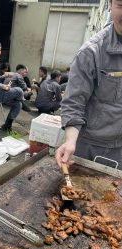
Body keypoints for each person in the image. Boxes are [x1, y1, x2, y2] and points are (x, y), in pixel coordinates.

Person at [55, 0, 122, 170]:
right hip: (90, 146)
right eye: (121, 5)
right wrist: (70, 142)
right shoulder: (91, 52)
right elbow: (73, 102)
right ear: (110, 4)